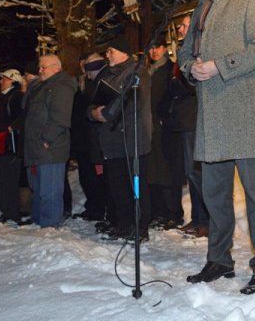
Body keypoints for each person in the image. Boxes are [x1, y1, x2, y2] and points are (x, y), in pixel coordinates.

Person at [178, 0, 255, 295]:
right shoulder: (199, 8)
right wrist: (190, 67)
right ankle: (219, 260)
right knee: (215, 195)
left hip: (244, 113)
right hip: (211, 116)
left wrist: (219, 66)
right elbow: (184, 52)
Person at [87, 36, 152, 241]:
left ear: (124, 53)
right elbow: (95, 100)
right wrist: (92, 112)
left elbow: (129, 101)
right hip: (113, 139)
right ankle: (124, 225)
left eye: (111, 51)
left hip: (132, 139)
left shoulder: (136, 71)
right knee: (118, 187)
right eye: (107, 52)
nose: (107, 56)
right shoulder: (109, 74)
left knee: (136, 187)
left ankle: (140, 227)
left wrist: (103, 115)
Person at [161, 15, 208, 237]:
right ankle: (198, 218)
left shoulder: (201, 49)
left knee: (199, 173)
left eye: (184, 25)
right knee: (191, 173)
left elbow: (191, 84)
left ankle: (207, 222)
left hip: (195, 118)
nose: (180, 29)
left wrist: (176, 84)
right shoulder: (185, 51)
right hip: (184, 120)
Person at [18, 54, 76, 228]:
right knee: (38, 189)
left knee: (49, 190)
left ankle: (50, 227)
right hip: (36, 147)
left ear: (56, 68)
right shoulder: (43, 86)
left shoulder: (61, 86)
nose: (40, 71)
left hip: (50, 148)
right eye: (40, 67)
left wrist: (46, 139)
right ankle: (39, 221)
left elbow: (60, 117)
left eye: (44, 67)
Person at [146, 36, 185, 230]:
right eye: (151, 48)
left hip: (166, 127)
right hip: (150, 126)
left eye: (158, 47)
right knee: (153, 171)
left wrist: (165, 115)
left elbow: (173, 95)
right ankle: (158, 211)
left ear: (164, 49)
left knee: (169, 171)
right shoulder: (148, 71)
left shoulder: (170, 69)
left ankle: (174, 213)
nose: (154, 51)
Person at [71, 52, 106, 222]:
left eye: (87, 63)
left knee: (95, 177)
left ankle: (98, 208)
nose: (84, 67)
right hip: (81, 137)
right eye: (82, 63)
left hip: (92, 137)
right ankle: (92, 206)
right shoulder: (81, 84)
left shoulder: (96, 85)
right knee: (85, 176)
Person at [0, 69, 25, 224]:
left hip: (9, 145)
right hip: (0, 144)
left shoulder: (15, 96)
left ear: (13, 80)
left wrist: (12, 132)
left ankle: (12, 211)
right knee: (2, 179)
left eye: (4, 79)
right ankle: (6, 210)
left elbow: (19, 118)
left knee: (9, 179)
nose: (1, 82)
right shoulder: (3, 98)